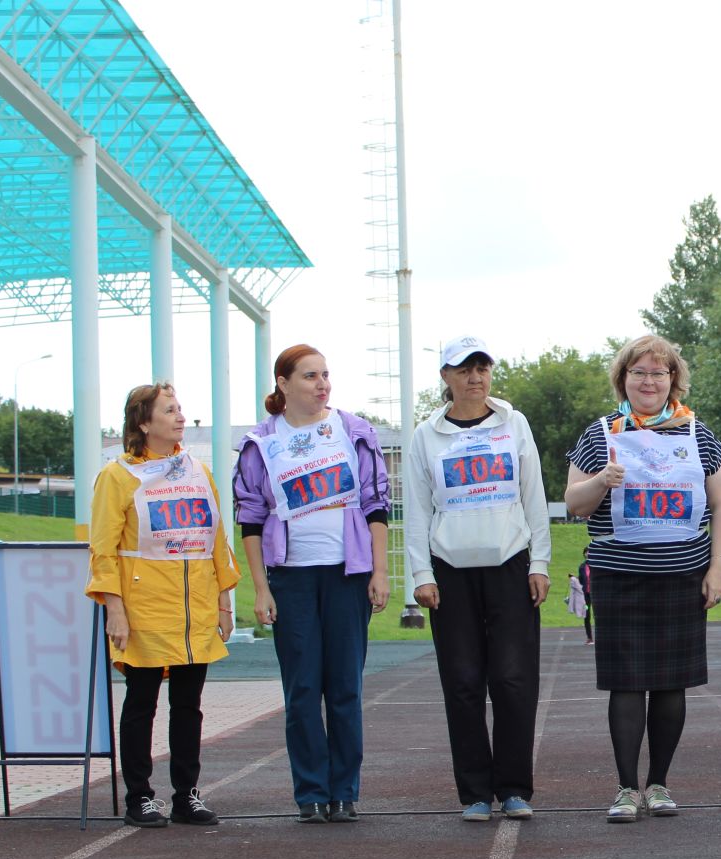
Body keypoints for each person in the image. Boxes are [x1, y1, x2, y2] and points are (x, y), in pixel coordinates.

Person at [565, 334, 721, 822]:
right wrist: (601, 482)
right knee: (625, 685)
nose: (649, 381)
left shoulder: (698, 434)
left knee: (670, 686)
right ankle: (625, 788)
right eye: (638, 372)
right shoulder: (601, 434)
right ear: (623, 380)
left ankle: (658, 783)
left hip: (682, 574)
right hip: (620, 575)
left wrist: (717, 567)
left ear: (673, 380)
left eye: (659, 373)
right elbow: (574, 503)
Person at [235, 345, 393, 824]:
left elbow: (376, 504)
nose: (322, 384)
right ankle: (310, 792)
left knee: (344, 687)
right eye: (309, 376)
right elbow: (250, 518)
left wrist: (380, 572)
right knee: (302, 690)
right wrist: (261, 588)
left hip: (347, 575)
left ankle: (344, 790)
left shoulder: (354, 431)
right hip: (291, 579)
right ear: (283, 384)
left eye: (325, 375)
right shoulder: (261, 442)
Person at [402, 336, 551, 822]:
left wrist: (539, 563)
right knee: (463, 682)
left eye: (482, 366)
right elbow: (418, 510)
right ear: (445, 377)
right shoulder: (425, 435)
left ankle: (513, 788)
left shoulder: (515, 424)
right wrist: (421, 573)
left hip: (510, 564)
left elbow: (534, 496)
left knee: (512, 679)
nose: (474, 376)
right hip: (449, 572)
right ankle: (473, 793)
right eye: (463, 369)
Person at [86, 383, 240, 828]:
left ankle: (186, 795)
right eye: (169, 410)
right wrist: (114, 607)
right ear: (143, 421)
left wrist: (223, 602)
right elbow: (104, 548)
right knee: (142, 703)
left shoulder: (197, 470)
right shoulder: (118, 476)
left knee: (189, 705)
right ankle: (139, 796)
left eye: (180, 410)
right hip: (145, 607)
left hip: (194, 608)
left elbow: (215, 539)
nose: (179, 418)